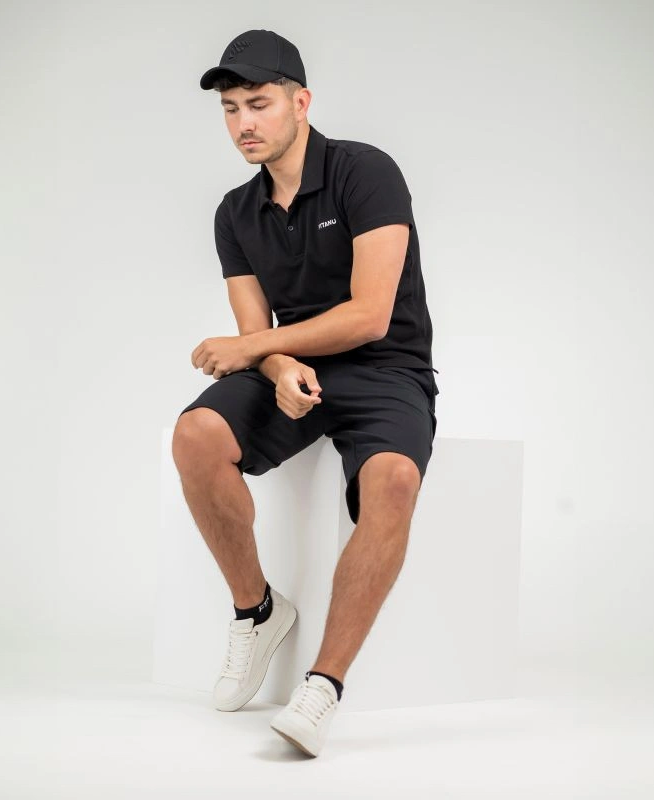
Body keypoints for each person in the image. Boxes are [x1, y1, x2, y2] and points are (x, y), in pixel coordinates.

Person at [172, 28, 438, 757]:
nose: (244, 124)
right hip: (297, 368)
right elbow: (255, 332)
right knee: (195, 435)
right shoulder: (234, 212)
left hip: (387, 368)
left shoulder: (365, 172)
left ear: (301, 102)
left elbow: (370, 314)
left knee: (393, 479)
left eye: (258, 104)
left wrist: (255, 350)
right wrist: (277, 366)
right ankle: (256, 611)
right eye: (230, 110)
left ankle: (322, 686)